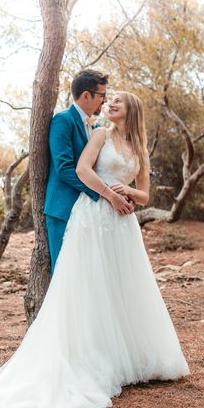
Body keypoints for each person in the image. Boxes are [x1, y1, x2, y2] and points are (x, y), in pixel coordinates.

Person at [0, 91, 189, 408]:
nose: (109, 105)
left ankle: (125, 358)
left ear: (133, 111)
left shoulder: (138, 149)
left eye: (117, 102)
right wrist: (111, 194)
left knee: (121, 287)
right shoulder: (100, 135)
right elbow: (82, 170)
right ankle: (93, 360)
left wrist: (128, 193)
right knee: (89, 285)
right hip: (95, 215)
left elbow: (144, 193)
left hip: (123, 225)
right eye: (107, 100)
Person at [43, 69, 133, 272]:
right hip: (63, 208)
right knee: (64, 274)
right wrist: (103, 194)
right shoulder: (63, 120)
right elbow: (65, 168)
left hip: (85, 211)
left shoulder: (93, 127)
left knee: (84, 274)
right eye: (102, 95)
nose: (105, 101)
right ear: (86, 95)